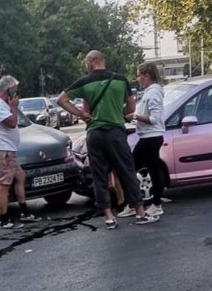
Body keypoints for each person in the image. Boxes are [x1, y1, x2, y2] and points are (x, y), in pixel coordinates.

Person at [57, 50, 159, 230]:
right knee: (127, 171)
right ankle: (140, 213)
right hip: (116, 133)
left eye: (86, 64)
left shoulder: (85, 82)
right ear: (103, 61)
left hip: (95, 134)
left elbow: (61, 100)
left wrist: (82, 114)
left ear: (90, 62)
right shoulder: (120, 80)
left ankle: (109, 217)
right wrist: (123, 114)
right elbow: (131, 105)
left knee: (100, 176)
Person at [0, 75, 39, 228]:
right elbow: (12, 123)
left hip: (8, 150)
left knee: (20, 176)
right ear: (7, 90)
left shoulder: (0, 102)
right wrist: (14, 107)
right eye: (14, 90)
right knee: (4, 183)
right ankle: (4, 218)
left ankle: (24, 211)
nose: (16, 93)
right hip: (1, 150)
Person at [120, 61, 166, 217]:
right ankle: (138, 203)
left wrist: (134, 116)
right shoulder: (150, 92)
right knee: (145, 169)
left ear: (147, 76)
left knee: (148, 169)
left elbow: (154, 118)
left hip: (151, 137)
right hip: (147, 136)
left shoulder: (153, 93)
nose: (137, 78)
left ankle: (154, 204)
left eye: (139, 75)